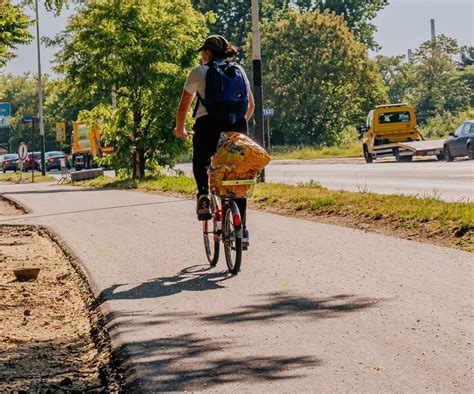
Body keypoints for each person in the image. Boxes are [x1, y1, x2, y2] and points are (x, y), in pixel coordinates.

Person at [174, 35, 255, 246]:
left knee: (200, 161)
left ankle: (203, 195)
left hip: (207, 126)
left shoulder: (199, 72)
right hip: (236, 127)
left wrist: (180, 129)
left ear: (208, 53)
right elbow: (251, 105)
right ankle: (242, 231)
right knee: (237, 179)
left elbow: (183, 107)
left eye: (203, 52)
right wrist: (235, 128)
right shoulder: (239, 71)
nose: (202, 56)